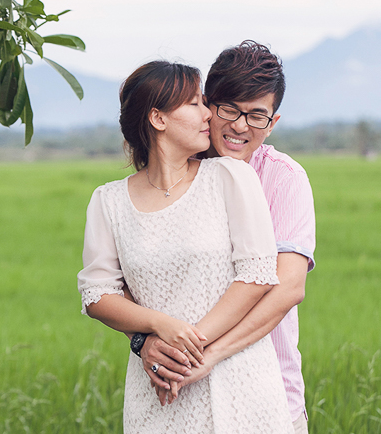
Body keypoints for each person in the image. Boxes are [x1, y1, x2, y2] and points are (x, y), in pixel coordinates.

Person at [78, 60, 294, 434]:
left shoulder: (229, 176)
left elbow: (257, 275)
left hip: (237, 380)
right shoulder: (108, 201)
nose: (208, 114)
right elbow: (97, 295)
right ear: (158, 119)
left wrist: (187, 350)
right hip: (159, 386)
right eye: (195, 103)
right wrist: (154, 330)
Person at [137, 41, 316, 434]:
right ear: (207, 106)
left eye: (256, 116)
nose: (239, 126)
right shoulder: (174, 179)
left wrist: (207, 356)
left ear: (274, 121)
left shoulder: (283, 179)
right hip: (175, 398)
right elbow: (143, 277)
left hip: (270, 399)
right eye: (229, 109)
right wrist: (141, 340)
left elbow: (287, 289)